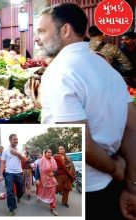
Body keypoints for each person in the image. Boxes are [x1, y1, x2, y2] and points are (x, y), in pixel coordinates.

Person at [34, 3, 136, 219]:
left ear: (65, 30)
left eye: (42, 31)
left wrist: (114, 169)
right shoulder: (107, 70)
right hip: (111, 189)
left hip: (84, 192)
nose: (37, 38)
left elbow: (81, 140)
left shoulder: (59, 72)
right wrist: (131, 185)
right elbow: (132, 127)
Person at [0, 134, 27, 216]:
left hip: (19, 173)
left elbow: (25, 159)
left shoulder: (21, 149)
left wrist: (17, 153)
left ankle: (19, 196)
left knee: (20, 190)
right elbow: (2, 163)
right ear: (10, 140)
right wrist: (0, 175)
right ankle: (11, 209)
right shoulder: (5, 151)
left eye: (17, 139)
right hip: (9, 173)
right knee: (10, 191)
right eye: (14, 139)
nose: (16, 141)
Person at [35, 149, 59, 216]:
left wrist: (53, 173)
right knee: (42, 191)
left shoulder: (53, 160)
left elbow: (57, 170)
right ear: (45, 153)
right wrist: (37, 179)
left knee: (53, 194)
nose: (50, 153)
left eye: (51, 152)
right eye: (48, 152)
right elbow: (37, 171)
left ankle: (53, 208)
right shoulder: (40, 162)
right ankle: (39, 196)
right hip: (43, 181)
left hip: (52, 180)